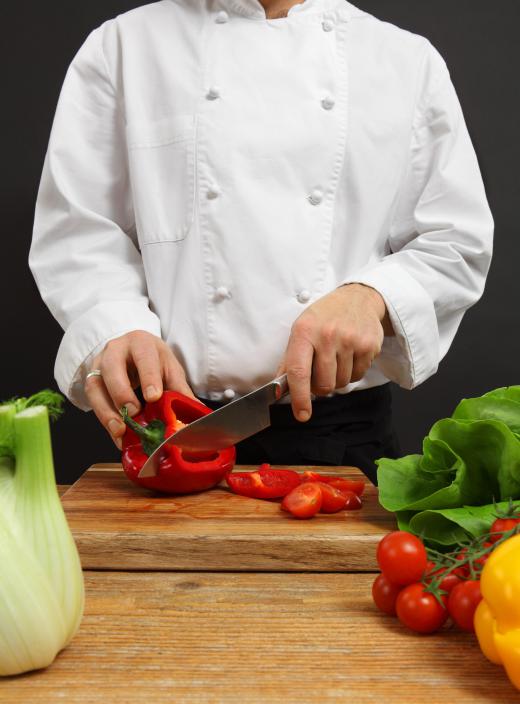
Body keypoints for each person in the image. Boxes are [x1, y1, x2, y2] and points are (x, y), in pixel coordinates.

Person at [29, 0, 493, 483]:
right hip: (174, 433)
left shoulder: (405, 61)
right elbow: (77, 229)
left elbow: (456, 243)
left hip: (341, 442)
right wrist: (116, 325)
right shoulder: (122, 47)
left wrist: (373, 297)